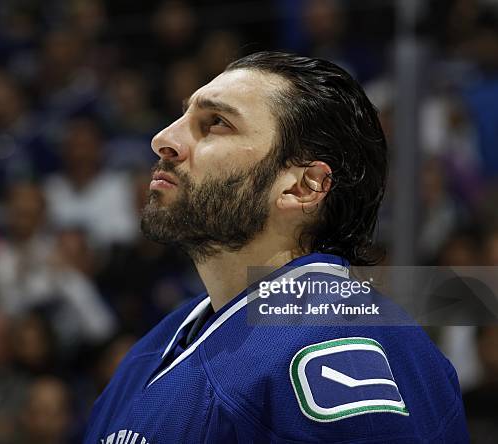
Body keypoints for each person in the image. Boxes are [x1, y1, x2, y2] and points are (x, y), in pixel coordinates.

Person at [83, 51, 468, 443]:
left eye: (215, 123)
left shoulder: (337, 344)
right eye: (183, 116)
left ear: (304, 186)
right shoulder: (153, 349)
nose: (163, 139)